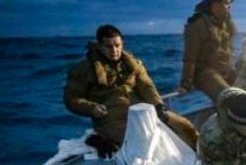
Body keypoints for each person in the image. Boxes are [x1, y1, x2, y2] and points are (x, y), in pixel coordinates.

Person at [64, 24, 198, 156]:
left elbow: (146, 87)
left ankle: (201, 157)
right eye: (109, 46)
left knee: (184, 127)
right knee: (143, 142)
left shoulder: (133, 64)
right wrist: (91, 108)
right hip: (110, 118)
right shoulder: (83, 69)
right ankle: (100, 139)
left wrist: (158, 105)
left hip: (140, 111)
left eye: (117, 45)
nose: (114, 50)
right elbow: (71, 99)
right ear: (99, 46)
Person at [177, 0, 238, 102]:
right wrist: (185, 85)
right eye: (226, 4)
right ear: (215, 4)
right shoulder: (197, 25)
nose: (229, 8)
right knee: (229, 97)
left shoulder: (225, 24)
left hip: (225, 69)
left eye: (229, 4)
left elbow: (230, 44)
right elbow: (190, 57)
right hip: (205, 73)